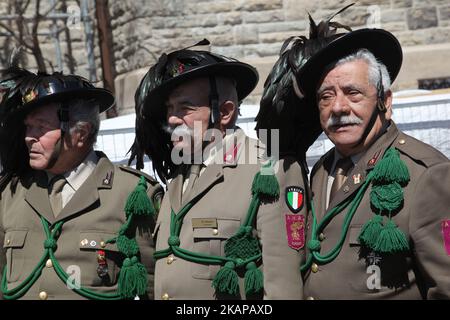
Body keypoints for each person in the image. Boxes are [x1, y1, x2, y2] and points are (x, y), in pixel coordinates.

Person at [129, 40, 304, 299]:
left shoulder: (269, 169)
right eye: (169, 109)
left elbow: (282, 288)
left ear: (224, 112)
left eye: (185, 108)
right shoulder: (179, 176)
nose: (172, 119)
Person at [293, 27, 450, 299]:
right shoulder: (321, 169)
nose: (338, 108)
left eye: (353, 93)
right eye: (326, 96)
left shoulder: (426, 174)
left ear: (385, 102)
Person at [0, 68, 163, 300]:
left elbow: (153, 285)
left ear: (81, 133)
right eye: (28, 127)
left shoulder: (132, 194)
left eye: (41, 127)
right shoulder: (11, 194)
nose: (29, 136)